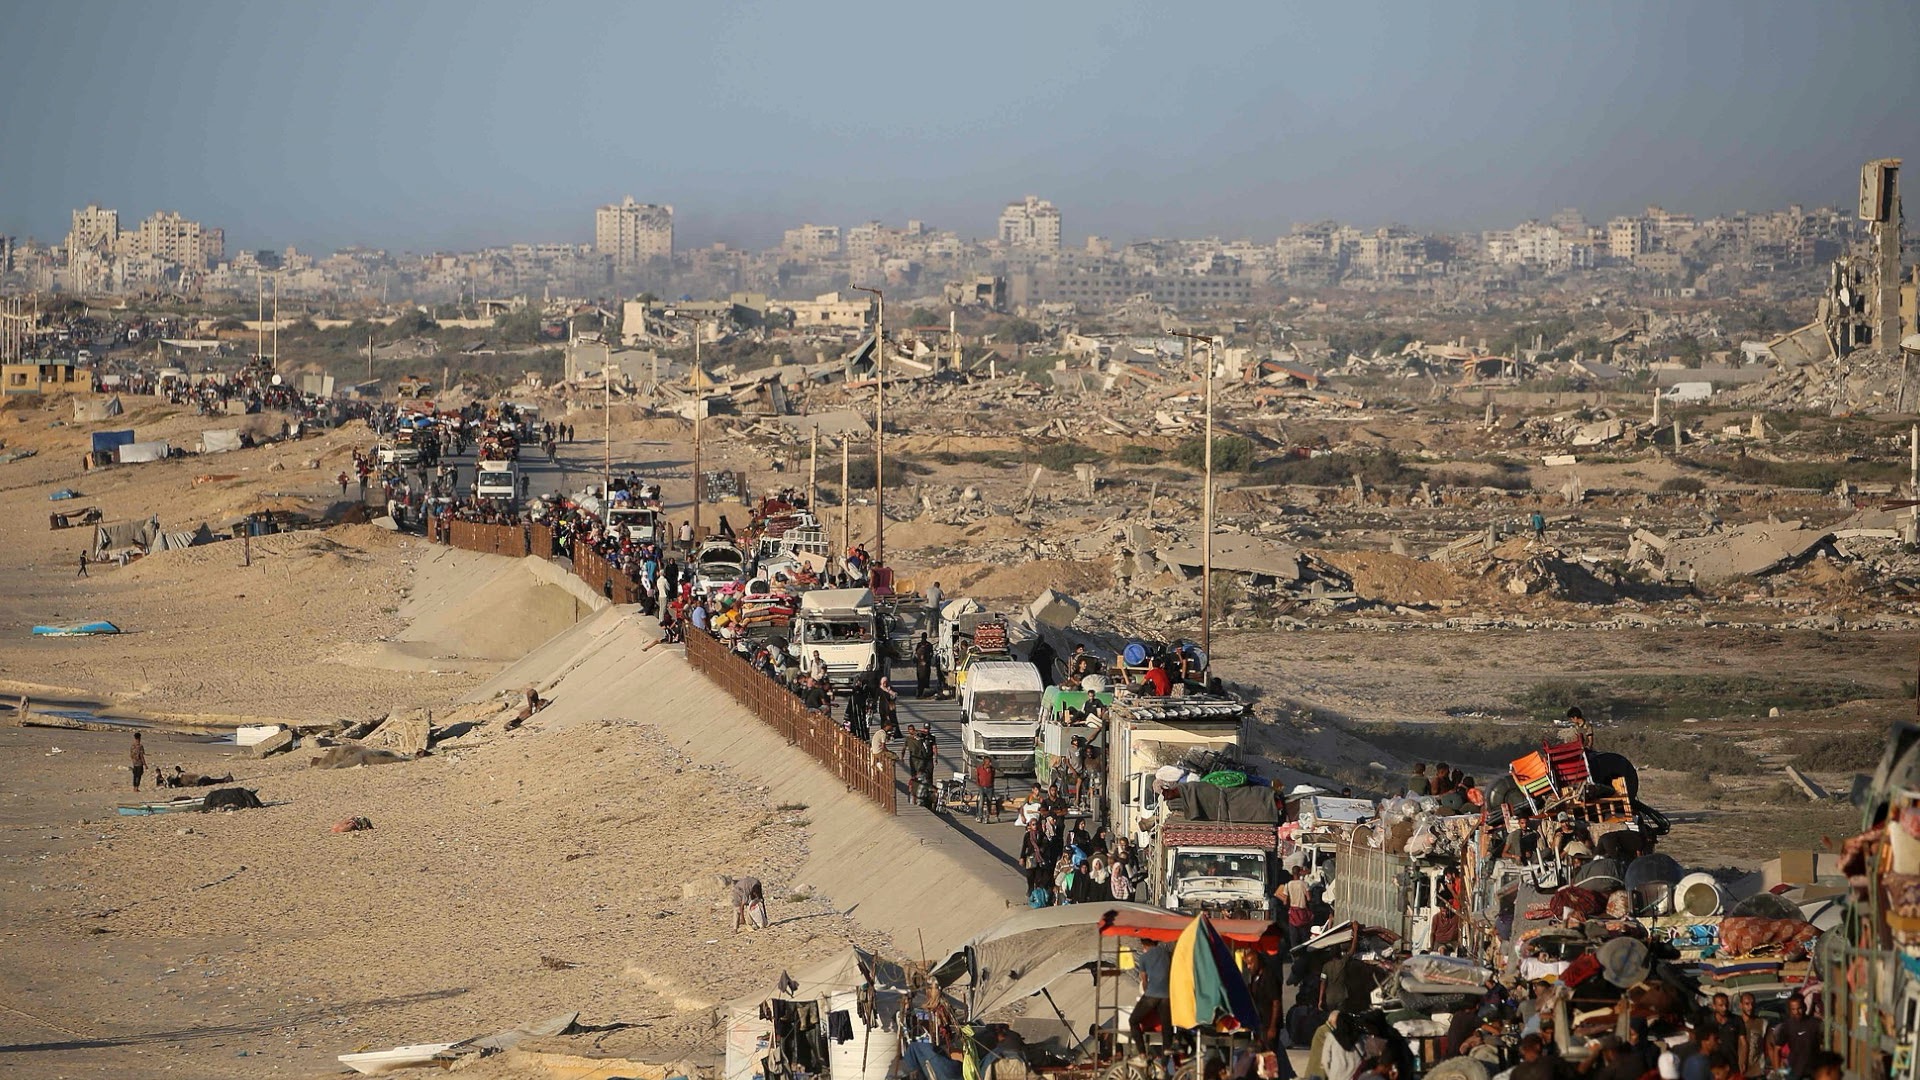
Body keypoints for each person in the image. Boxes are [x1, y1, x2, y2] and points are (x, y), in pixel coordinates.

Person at [1129, 938, 1173, 1045]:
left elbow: (1144, 980)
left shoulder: (1144, 957)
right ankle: (1167, 1049)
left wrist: (1145, 994)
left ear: (1144, 944)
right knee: (1166, 1024)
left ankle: (1142, 1052)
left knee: (1133, 1021)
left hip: (1152, 994)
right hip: (1167, 994)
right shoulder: (1167, 954)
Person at [1768, 996, 1820, 1080]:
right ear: (1790, 1010)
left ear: (1805, 1007)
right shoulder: (1787, 1026)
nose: (1797, 1012)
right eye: (1793, 1009)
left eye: (1799, 1008)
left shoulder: (1814, 1024)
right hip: (1793, 1072)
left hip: (1812, 1071)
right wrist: (1778, 1072)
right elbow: (1777, 1049)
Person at [1737, 993, 1768, 1079]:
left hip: (1757, 1073)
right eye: (1747, 1004)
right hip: (1738, 1074)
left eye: (1752, 1004)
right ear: (1741, 1005)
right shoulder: (1734, 1023)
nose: (1750, 1007)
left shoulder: (1762, 1023)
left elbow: (1770, 1047)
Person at [973, 754, 997, 823]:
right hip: (982, 787)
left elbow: (993, 778)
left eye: (990, 762)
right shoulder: (980, 769)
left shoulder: (992, 769)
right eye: (989, 762)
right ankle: (980, 816)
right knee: (981, 802)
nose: (990, 763)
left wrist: (992, 786)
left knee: (989, 803)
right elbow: (977, 777)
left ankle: (987, 817)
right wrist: (978, 785)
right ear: (985, 762)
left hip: (990, 788)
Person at [912, 633, 934, 698]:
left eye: (924, 637)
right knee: (920, 680)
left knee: (926, 679)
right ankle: (920, 693)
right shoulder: (919, 645)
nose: (923, 638)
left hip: (926, 666)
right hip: (919, 666)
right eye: (923, 637)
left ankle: (925, 693)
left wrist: (927, 661)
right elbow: (916, 654)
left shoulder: (929, 645)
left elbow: (931, 654)